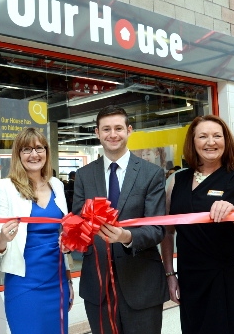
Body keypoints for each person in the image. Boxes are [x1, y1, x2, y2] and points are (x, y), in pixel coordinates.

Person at [160, 115, 234, 334]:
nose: (211, 142)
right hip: (192, 279)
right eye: (203, 136)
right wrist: (170, 275)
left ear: (226, 141)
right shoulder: (176, 181)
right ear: (193, 142)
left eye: (217, 136)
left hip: (232, 279)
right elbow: (167, 232)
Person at [70, 105, 169, 334]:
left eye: (118, 128)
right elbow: (77, 219)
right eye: (106, 129)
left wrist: (127, 237)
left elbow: (157, 227)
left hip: (141, 282)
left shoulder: (151, 173)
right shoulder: (85, 175)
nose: (112, 134)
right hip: (98, 285)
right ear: (97, 133)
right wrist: (71, 235)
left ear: (129, 130)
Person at [0, 128, 73, 334]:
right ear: (18, 154)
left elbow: (63, 235)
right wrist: (2, 238)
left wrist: (69, 279)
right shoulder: (4, 187)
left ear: (46, 152)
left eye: (39, 148)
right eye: (26, 149)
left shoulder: (57, 185)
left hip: (58, 280)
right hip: (24, 283)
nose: (34, 154)